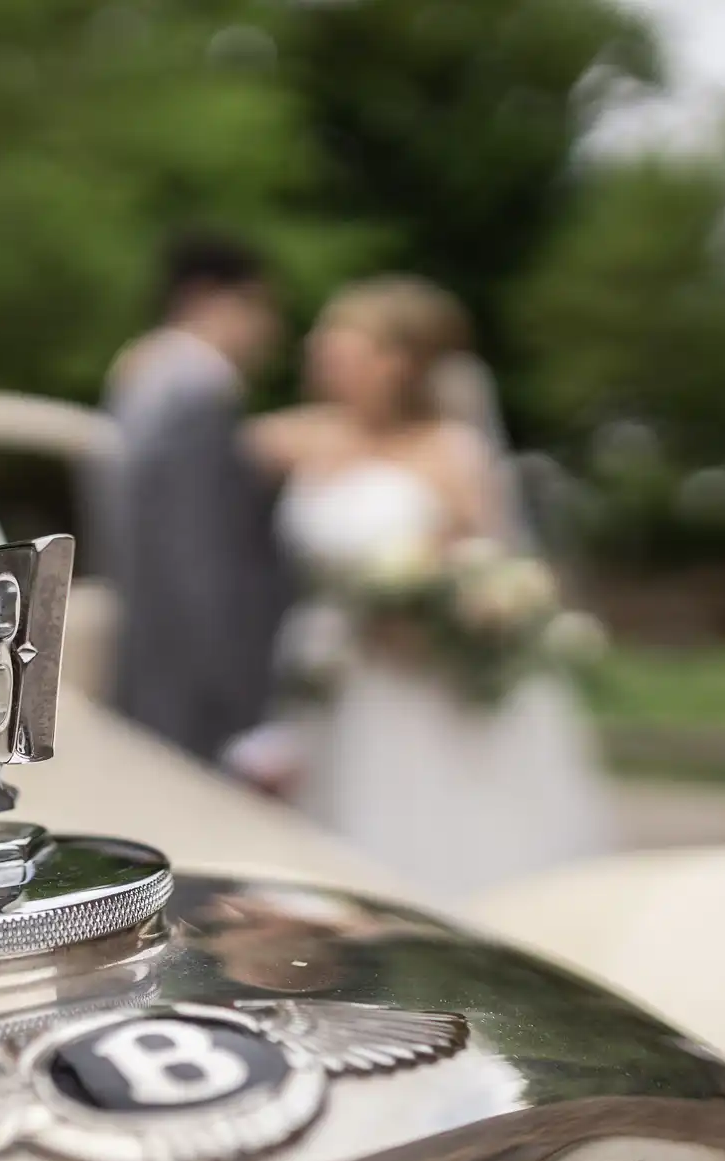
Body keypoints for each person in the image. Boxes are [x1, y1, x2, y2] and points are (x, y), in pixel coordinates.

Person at [251, 275, 610, 906]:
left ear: (397, 365)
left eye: (347, 353)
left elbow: (490, 567)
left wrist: (437, 605)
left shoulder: (451, 452)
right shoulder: (308, 436)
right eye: (325, 352)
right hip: (333, 670)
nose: (328, 366)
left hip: (417, 676)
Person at [103, 232, 291, 766]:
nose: (270, 330)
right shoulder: (195, 391)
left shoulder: (146, 372)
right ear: (209, 296)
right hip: (188, 682)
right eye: (260, 306)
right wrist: (232, 696)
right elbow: (198, 556)